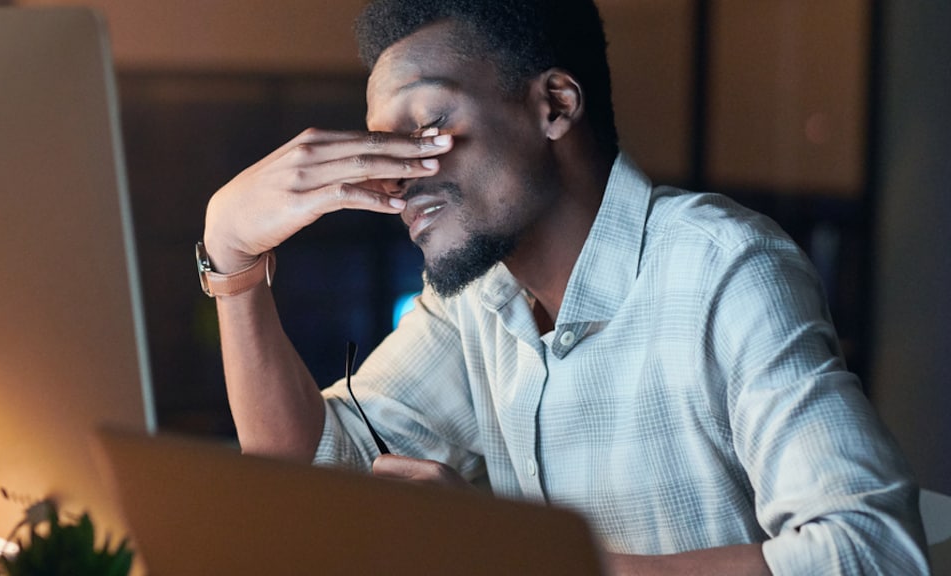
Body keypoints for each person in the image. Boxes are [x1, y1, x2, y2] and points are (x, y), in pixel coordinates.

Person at [198, 0, 929, 573]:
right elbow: (307, 478)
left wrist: (512, 558)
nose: (396, 177)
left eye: (427, 125)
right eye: (381, 145)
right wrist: (232, 260)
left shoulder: (724, 269)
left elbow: (874, 553)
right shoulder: (474, 302)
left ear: (554, 105)